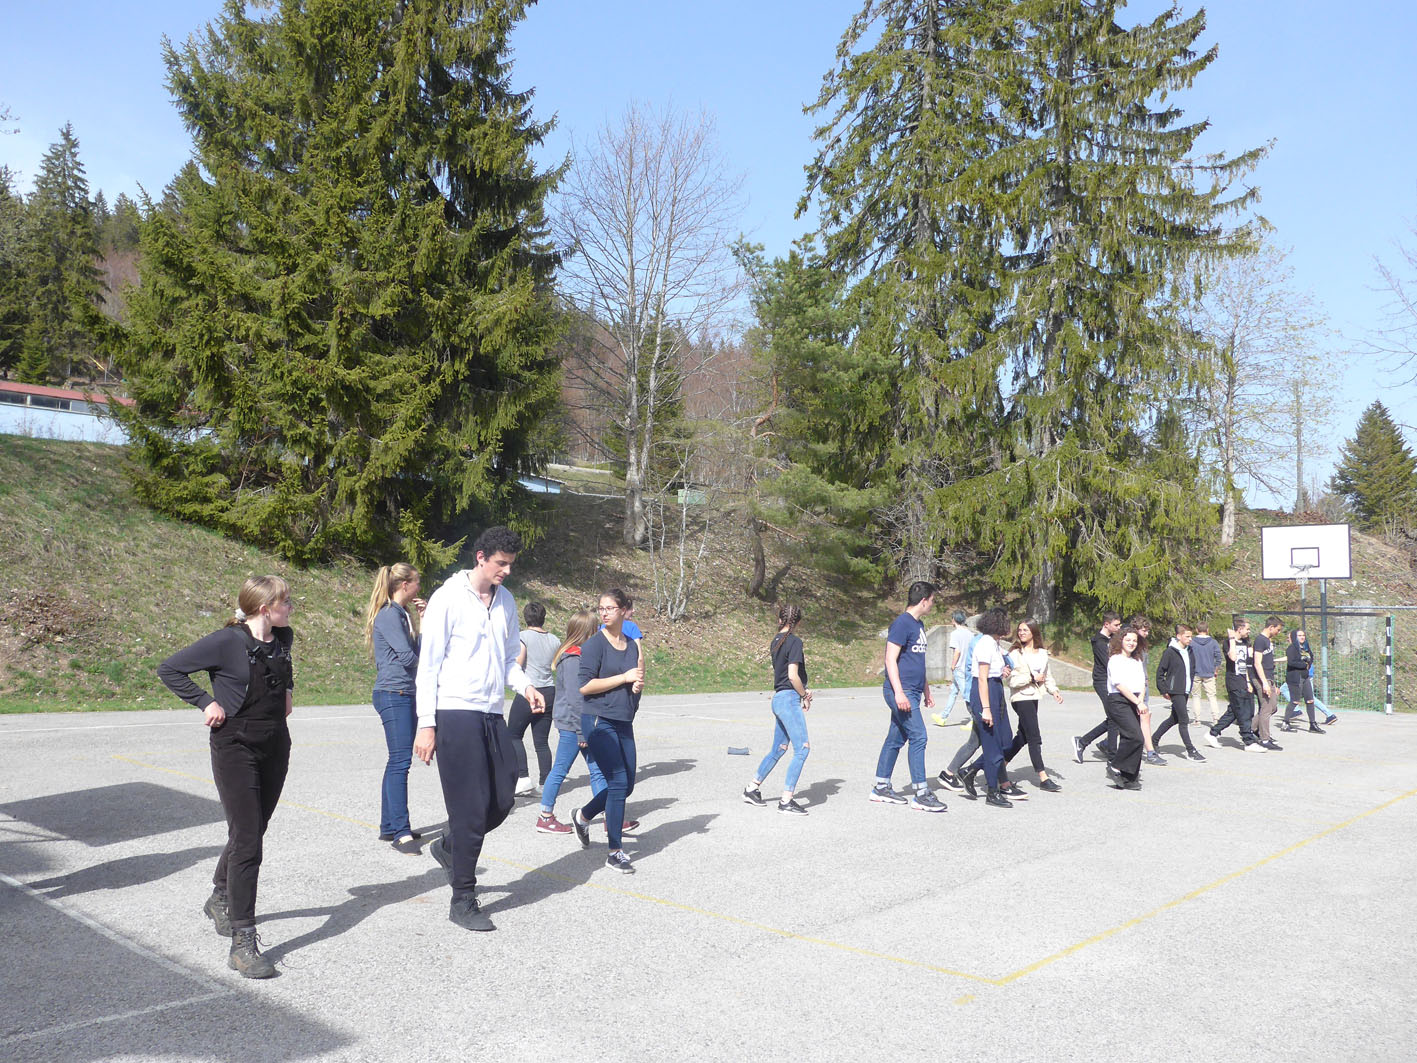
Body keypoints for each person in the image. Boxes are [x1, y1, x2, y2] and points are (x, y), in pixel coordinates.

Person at [157, 575, 295, 979]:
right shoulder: (226, 641)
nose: (291, 607)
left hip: (275, 744)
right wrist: (206, 701)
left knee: (253, 829)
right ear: (265, 607)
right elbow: (170, 669)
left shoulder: (284, 638)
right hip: (235, 746)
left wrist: (288, 691)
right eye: (286, 601)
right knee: (249, 839)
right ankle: (243, 942)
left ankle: (220, 896)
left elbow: (284, 676)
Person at [415, 527, 544, 932]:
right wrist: (426, 724)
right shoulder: (448, 598)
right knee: (469, 809)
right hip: (455, 713)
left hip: (491, 713)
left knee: (503, 798)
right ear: (481, 558)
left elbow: (508, 660)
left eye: (511, 565)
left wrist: (525, 686)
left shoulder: (505, 601)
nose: (506, 571)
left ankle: (450, 846)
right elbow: (428, 666)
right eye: (501, 563)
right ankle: (463, 899)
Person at [571, 589, 644, 873]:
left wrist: (635, 686)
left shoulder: (632, 646)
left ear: (624, 610)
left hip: (623, 720)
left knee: (627, 785)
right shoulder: (594, 645)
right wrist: (623, 678)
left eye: (610, 608)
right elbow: (585, 686)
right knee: (617, 781)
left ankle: (583, 815)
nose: (604, 613)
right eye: (601, 608)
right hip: (598, 720)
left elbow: (634, 679)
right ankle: (615, 851)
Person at [365, 563, 427, 851]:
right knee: (401, 762)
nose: (419, 587)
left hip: (402, 691)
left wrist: (423, 620)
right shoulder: (390, 614)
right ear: (405, 585)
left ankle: (389, 826)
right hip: (394, 692)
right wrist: (431, 670)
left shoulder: (401, 614)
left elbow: (415, 651)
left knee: (396, 761)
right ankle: (401, 832)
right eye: (417, 582)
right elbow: (408, 657)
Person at [870, 581, 947, 812]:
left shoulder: (918, 624)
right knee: (919, 736)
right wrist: (899, 693)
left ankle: (881, 786)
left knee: (896, 738)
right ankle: (921, 793)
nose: (932, 604)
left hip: (913, 690)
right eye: (932, 600)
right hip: (900, 691)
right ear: (923, 601)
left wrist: (926, 689)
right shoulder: (902, 623)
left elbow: (917, 661)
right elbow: (890, 659)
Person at [536, 608, 607, 834]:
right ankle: (545, 817)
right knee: (560, 769)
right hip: (574, 724)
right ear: (587, 632)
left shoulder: (581, 655)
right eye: (596, 629)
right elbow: (576, 700)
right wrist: (581, 731)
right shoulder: (573, 659)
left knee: (598, 770)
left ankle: (610, 815)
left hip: (582, 723)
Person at [744, 603, 813, 815]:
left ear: (779, 619)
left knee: (779, 748)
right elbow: (792, 676)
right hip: (789, 699)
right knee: (802, 749)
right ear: (798, 622)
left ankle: (752, 788)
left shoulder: (776, 641)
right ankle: (786, 801)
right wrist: (804, 694)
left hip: (779, 699)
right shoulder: (794, 642)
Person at [957, 607, 1016, 807]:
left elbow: (992, 672)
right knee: (992, 745)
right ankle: (992, 791)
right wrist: (986, 709)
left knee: (1005, 739)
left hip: (996, 688)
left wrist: (1002, 672)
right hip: (985, 692)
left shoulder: (994, 643)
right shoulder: (985, 643)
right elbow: (982, 678)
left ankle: (970, 770)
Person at [508, 602, 560, 795]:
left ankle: (523, 777)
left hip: (530, 690)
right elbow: (555, 665)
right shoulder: (554, 639)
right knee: (541, 741)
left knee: (513, 735)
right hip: (549, 690)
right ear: (543, 617)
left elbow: (518, 663)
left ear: (526, 617)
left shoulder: (523, 637)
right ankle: (546, 783)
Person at [1204, 617, 1265, 752]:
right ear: (1239, 629)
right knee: (1243, 712)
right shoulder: (1228, 642)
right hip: (1234, 681)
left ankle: (1212, 733)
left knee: (1237, 711)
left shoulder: (1246, 642)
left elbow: (1248, 663)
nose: (1249, 631)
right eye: (1247, 629)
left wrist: (1249, 681)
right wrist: (1232, 638)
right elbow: (1233, 657)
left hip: (1245, 680)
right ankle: (1248, 741)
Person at [1073, 612, 1121, 764]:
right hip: (1102, 681)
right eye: (1116, 625)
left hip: (1111, 681)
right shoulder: (1100, 642)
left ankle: (1094, 743)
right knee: (1114, 717)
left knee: (1115, 717)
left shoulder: (1112, 639)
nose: (1119, 627)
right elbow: (1109, 664)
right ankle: (1109, 754)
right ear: (1106, 624)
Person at [1152, 622, 1204, 761]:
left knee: (1173, 719)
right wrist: (1163, 689)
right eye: (1187, 636)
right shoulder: (1170, 652)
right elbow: (1160, 672)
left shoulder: (1190, 650)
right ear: (1179, 636)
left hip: (1185, 689)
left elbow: (1191, 669)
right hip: (1175, 690)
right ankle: (1191, 750)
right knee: (1184, 720)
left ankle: (1153, 740)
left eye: (1191, 636)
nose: (1190, 639)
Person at [1104, 626, 1147, 790]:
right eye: (1128, 639)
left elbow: (1142, 683)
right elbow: (1119, 685)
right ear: (1121, 640)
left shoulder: (1137, 660)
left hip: (1135, 699)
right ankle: (1115, 766)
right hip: (1119, 700)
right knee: (1136, 737)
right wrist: (1137, 702)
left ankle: (1129, 777)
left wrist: (1140, 700)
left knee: (1130, 738)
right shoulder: (1115, 660)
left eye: (1134, 640)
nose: (1131, 643)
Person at [1280, 628, 1334, 731]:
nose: (1302, 637)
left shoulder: (1305, 647)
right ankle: (1285, 723)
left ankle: (1312, 724)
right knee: (1295, 701)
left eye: (1303, 635)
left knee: (1310, 700)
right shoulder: (1292, 648)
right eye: (1299, 635)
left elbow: (1311, 657)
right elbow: (1291, 662)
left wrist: (1308, 663)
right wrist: (1304, 664)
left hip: (1305, 676)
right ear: (1295, 637)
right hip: (1295, 677)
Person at [931, 610, 972, 727]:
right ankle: (943, 716)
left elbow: (957, 651)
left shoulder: (955, 634)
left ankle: (975, 718)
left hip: (959, 667)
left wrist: (953, 665)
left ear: (954, 620)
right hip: (968, 667)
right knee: (953, 691)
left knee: (966, 694)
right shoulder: (969, 633)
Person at [1251, 615, 1284, 751]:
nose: (1278, 632)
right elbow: (1257, 663)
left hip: (1269, 677)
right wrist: (1264, 683)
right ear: (1271, 627)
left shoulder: (1267, 640)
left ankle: (1250, 728)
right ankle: (1265, 739)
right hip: (1261, 678)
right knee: (1266, 708)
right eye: (1278, 629)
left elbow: (1268, 662)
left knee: (1273, 707)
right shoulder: (1260, 640)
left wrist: (1273, 684)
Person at [1189, 621, 1224, 726]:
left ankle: (1197, 719)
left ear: (1196, 630)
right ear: (1207, 630)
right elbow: (1218, 657)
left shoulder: (1192, 642)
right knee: (1212, 696)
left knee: (1196, 696)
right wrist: (1216, 670)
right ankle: (1215, 718)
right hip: (1209, 672)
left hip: (1195, 672)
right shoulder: (1213, 642)